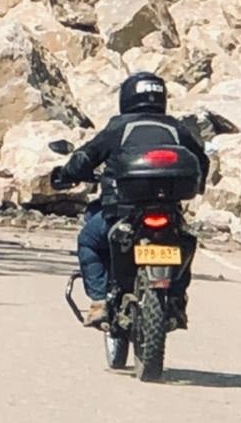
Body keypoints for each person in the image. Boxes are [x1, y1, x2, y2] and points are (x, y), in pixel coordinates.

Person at [51, 72, 209, 329]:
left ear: (127, 97)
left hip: (122, 212)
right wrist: (199, 187)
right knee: (185, 243)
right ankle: (177, 301)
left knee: (88, 240)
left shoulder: (119, 127)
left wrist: (66, 175)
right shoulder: (176, 128)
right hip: (169, 211)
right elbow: (201, 160)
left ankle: (100, 301)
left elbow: (84, 158)